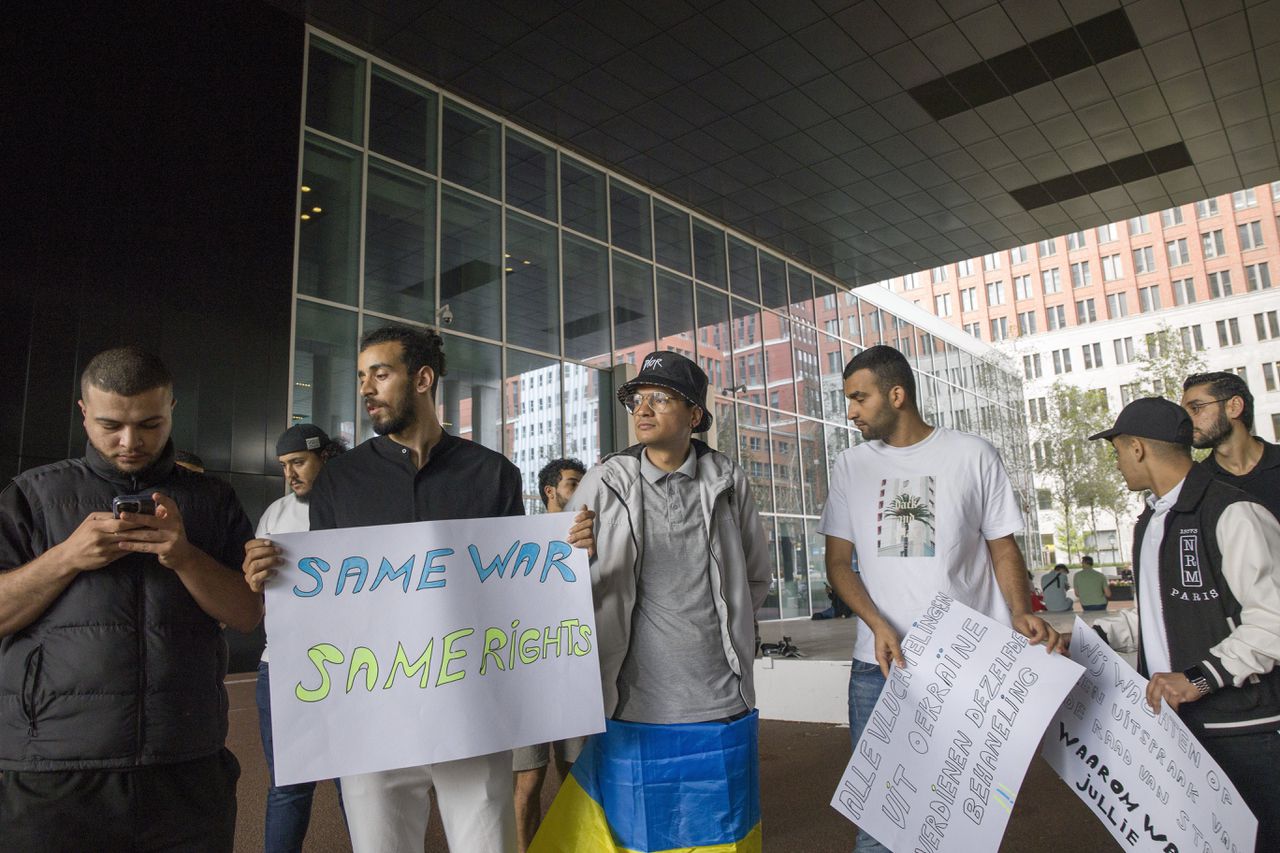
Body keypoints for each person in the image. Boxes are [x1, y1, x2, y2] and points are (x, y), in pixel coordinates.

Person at [0, 346, 262, 852]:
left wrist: (185, 556)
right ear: (82, 412)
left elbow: (247, 615)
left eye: (149, 424)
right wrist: (67, 557)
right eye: (109, 425)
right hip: (54, 767)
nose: (129, 442)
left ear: (171, 409)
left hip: (185, 762)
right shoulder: (31, 495)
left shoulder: (213, 499)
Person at [819, 344, 1061, 853]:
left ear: (897, 394)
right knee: (878, 821)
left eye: (859, 398)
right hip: (879, 666)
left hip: (965, 663)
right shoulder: (849, 466)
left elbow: (1002, 548)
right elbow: (838, 564)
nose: (851, 411)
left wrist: (1020, 611)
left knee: (959, 819)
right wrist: (877, 624)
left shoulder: (973, 455)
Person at [537, 350, 770, 851]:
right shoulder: (606, 481)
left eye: (660, 398)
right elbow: (561, 577)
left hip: (720, 696)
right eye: (637, 400)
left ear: (694, 416)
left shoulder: (728, 481)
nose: (643, 409)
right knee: (632, 835)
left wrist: (736, 642)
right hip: (631, 698)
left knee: (722, 833)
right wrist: (574, 554)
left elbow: (755, 575)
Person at [309, 324, 522, 853]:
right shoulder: (339, 481)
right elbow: (321, 594)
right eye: (361, 377)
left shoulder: (493, 474)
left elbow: (520, 589)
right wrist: (273, 570)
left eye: (380, 374)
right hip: (374, 711)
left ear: (423, 378)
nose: (366, 389)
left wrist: (568, 555)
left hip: (472, 708)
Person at [1088, 396, 1280, 851]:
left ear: (1136, 448)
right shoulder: (1152, 521)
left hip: (1246, 733)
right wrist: (1096, 634)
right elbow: (1162, 612)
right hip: (1182, 731)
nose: (1117, 464)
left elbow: (1273, 619)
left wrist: (1199, 678)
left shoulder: (1234, 511)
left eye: (1116, 451)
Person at [242, 423, 347, 853]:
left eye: (298, 462)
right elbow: (260, 593)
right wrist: (253, 575)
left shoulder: (355, 505)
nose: (290, 474)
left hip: (350, 664)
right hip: (283, 664)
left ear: (325, 456)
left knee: (357, 783)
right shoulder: (276, 513)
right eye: (285, 466)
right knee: (288, 786)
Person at [512, 457, 588, 852]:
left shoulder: (588, 539)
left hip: (574, 674)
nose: (580, 490)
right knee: (528, 779)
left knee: (575, 775)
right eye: (573, 483)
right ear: (550, 491)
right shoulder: (521, 537)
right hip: (531, 677)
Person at [1182, 371, 1280, 519]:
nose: (1187, 421)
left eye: (1196, 408)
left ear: (1234, 406)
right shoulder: (1196, 484)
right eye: (1184, 413)